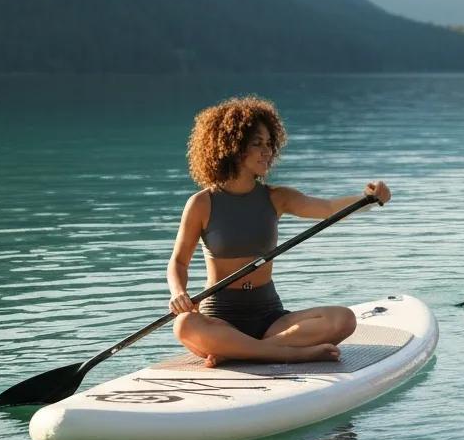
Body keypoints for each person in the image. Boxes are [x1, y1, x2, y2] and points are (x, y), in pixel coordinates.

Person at [167, 96, 390, 367]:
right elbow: (178, 262)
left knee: (344, 319)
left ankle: (242, 351)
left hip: (271, 319)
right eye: (257, 144)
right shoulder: (202, 203)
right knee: (185, 325)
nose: (267, 151)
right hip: (220, 319)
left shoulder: (277, 197)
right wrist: (178, 292)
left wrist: (369, 198)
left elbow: (329, 208)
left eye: (270, 144)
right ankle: (288, 353)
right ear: (233, 147)